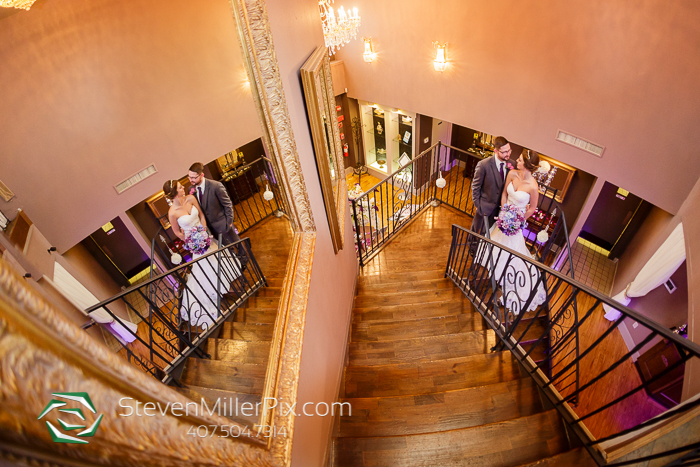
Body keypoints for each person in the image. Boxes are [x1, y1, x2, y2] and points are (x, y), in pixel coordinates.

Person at [477, 150, 547, 315]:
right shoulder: (512, 173)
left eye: (521, 160)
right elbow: (504, 194)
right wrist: (504, 211)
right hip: (504, 215)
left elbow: (533, 209)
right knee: (495, 240)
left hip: (515, 222)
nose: (517, 161)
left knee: (513, 250)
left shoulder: (533, 187)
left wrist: (518, 219)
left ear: (528, 166)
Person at [163, 180, 239, 330]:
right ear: (173, 193)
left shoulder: (191, 199)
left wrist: (204, 231)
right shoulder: (172, 212)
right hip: (195, 243)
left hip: (205, 236)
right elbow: (177, 232)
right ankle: (210, 289)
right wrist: (190, 241)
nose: (183, 187)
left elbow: (202, 215)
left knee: (216, 255)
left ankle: (223, 277)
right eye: (179, 187)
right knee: (203, 266)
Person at [471, 136, 512, 235]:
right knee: (476, 230)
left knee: (489, 231)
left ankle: (482, 248)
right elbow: (475, 186)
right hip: (484, 206)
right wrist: (478, 205)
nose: (508, 154)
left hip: (499, 208)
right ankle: (472, 246)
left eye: (509, 150)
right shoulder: (484, 165)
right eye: (504, 152)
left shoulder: (512, 164)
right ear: (496, 151)